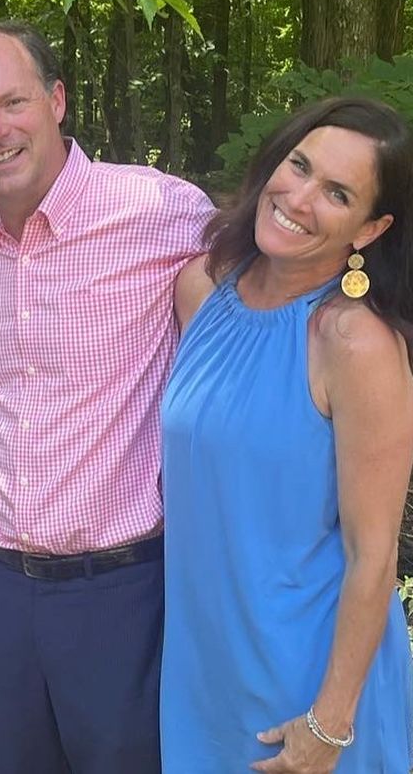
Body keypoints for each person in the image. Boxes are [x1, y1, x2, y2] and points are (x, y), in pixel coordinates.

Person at [0, 21, 216, 773]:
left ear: (56, 101)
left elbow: (273, 297)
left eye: (14, 102)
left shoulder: (161, 210)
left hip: (120, 594)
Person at [161, 96, 413, 773]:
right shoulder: (202, 290)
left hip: (309, 683)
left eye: (337, 193)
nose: (299, 198)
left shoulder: (354, 343)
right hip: (205, 665)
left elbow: (373, 555)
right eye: (299, 166)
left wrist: (329, 722)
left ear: (370, 229)